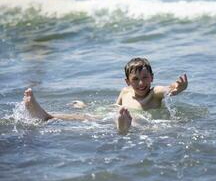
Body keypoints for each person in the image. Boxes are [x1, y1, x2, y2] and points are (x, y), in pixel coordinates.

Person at [23, 57, 188, 134]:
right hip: (117, 119)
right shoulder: (125, 92)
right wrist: (85, 107)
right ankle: (45, 115)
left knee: (134, 118)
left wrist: (178, 87)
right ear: (127, 81)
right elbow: (112, 108)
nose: (141, 83)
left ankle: (124, 125)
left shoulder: (155, 92)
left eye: (145, 78)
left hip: (145, 124)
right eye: (135, 79)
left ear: (152, 77)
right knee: (89, 116)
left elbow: (169, 89)